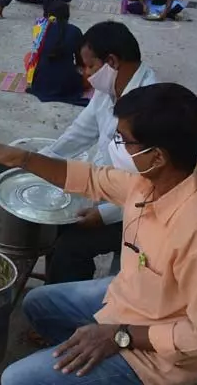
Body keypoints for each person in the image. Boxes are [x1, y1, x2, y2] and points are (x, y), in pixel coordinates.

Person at [0, 83, 197, 385]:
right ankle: (85, 359)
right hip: (129, 299)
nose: (116, 146)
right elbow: (91, 178)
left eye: (124, 141)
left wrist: (119, 337)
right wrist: (20, 158)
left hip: (158, 361)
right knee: (38, 305)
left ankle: (105, 366)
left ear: (158, 156)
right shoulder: (157, 176)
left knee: (16, 379)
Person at [38, 21, 157, 284]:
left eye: (91, 66)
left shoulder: (150, 105)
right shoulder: (108, 90)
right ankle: (58, 290)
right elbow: (80, 132)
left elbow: (148, 186)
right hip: (107, 190)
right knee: (53, 216)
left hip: (140, 212)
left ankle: (66, 312)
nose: (87, 74)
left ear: (112, 61)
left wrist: (104, 215)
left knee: (71, 246)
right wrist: (39, 161)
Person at [27, 1, 84, 105]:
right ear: (68, 16)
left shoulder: (40, 29)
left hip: (41, 84)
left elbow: (36, 55)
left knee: (28, 58)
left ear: (48, 15)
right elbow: (81, 61)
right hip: (67, 86)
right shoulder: (75, 31)